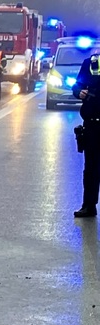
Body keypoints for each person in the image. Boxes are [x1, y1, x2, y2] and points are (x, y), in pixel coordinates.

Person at [72, 53, 100, 217]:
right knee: (91, 169)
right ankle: (89, 206)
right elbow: (76, 86)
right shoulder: (91, 63)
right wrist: (79, 92)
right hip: (93, 124)